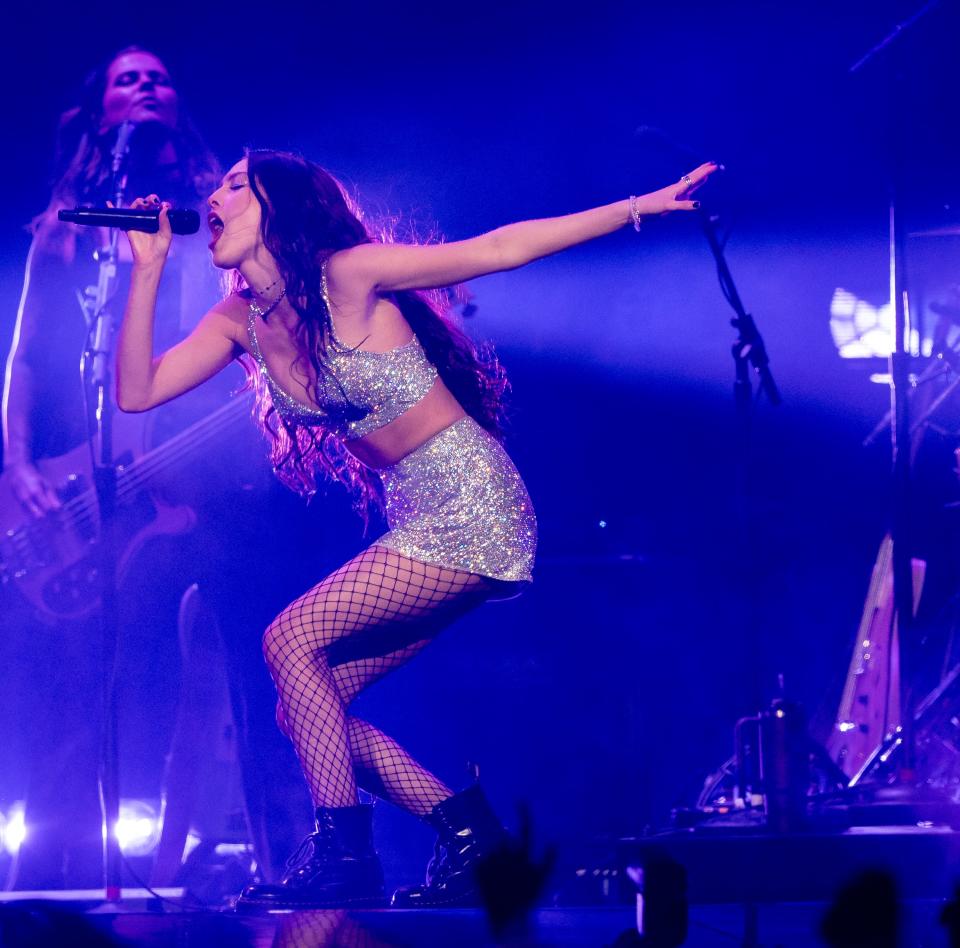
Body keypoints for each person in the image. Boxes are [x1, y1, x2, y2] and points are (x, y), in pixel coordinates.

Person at [116, 149, 716, 909]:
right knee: (307, 701)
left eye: (235, 184)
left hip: (471, 500)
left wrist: (638, 205)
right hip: (418, 515)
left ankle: (345, 856)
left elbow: (499, 248)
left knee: (288, 640)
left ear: (283, 205)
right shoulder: (240, 319)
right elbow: (138, 392)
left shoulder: (349, 273)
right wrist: (147, 269)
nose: (214, 196)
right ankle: (471, 837)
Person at [1, 48, 315, 891]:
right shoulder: (65, 234)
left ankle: (296, 866)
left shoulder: (226, 215)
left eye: (162, 78)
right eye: (126, 79)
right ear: (99, 112)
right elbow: (26, 357)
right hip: (105, 484)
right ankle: (48, 884)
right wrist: (19, 459)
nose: (148, 86)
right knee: (84, 685)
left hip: (220, 482)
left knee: (258, 672)